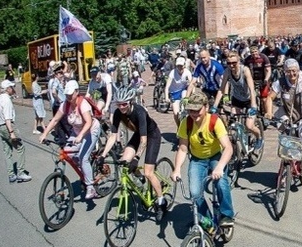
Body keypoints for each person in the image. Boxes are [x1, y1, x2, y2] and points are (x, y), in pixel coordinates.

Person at [99, 86, 168, 218]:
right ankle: (139, 179)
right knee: (125, 161)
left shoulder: (139, 111)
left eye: (124, 104)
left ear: (130, 102)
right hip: (139, 134)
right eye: (119, 104)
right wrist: (102, 156)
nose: (121, 107)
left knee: (148, 172)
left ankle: (161, 200)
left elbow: (144, 140)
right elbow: (113, 136)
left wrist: (136, 158)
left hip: (152, 135)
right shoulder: (118, 113)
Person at [172, 91, 235, 229]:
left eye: (197, 110)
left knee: (221, 182)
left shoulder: (214, 121)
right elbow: (183, 149)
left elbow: (228, 148)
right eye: (191, 111)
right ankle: (207, 221)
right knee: (195, 193)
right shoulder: (186, 123)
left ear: (206, 107)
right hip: (197, 159)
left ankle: (226, 215)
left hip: (215, 157)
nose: (194, 114)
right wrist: (177, 169)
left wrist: (219, 167)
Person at [39, 80, 101, 200]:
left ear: (77, 92)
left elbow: (88, 122)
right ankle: (85, 171)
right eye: (67, 95)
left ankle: (91, 188)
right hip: (77, 132)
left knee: (83, 158)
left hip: (90, 130)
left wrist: (80, 136)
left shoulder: (83, 104)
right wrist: (45, 134)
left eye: (71, 94)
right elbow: (55, 120)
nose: (69, 97)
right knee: (67, 152)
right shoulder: (65, 104)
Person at [265, 58, 302, 167]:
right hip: (287, 112)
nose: (291, 74)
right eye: (288, 71)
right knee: (285, 133)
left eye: (294, 70)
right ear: (285, 71)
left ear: (298, 70)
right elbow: (270, 97)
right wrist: (269, 112)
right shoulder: (280, 82)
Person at [212, 51, 263, 150]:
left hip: (249, 100)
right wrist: (214, 106)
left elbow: (252, 89)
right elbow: (221, 89)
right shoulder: (227, 71)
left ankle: (259, 137)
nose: (231, 65)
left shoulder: (245, 70)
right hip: (237, 99)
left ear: (238, 61)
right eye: (229, 63)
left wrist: (253, 105)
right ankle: (237, 146)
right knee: (232, 123)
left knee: (249, 126)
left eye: (234, 63)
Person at [0, 79, 32, 183]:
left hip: (0, 126)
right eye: (11, 87)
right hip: (8, 126)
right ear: (7, 89)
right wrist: (12, 132)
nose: (13, 88)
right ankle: (21, 173)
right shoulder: (6, 100)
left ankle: (11, 174)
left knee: (7, 151)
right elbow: (7, 118)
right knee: (20, 148)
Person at [164, 56, 192, 128]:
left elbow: (192, 85)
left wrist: (192, 95)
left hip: (183, 90)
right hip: (174, 93)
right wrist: (167, 97)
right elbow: (167, 87)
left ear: (184, 65)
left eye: (181, 66)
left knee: (184, 97)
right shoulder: (172, 73)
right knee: (175, 113)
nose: (180, 68)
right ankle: (179, 127)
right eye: (178, 66)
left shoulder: (187, 72)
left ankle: (185, 112)